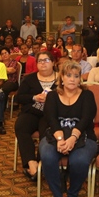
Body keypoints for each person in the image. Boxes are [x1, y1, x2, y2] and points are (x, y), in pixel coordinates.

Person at [39, 60, 97, 197]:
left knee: (79, 160)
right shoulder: (52, 95)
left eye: (76, 76)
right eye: (69, 75)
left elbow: (86, 119)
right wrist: (60, 139)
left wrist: (72, 138)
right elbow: (51, 119)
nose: (72, 79)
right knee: (47, 156)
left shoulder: (87, 95)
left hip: (83, 136)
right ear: (62, 78)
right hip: (55, 136)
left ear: (80, 79)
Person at [15, 51, 57, 181]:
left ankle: (42, 162)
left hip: (50, 115)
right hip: (31, 112)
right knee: (21, 126)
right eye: (40, 61)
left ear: (53, 62)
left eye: (46, 60)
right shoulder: (29, 79)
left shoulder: (61, 79)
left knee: (47, 132)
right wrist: (34, 97)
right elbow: (19, 97)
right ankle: (31, 163)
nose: (43, 63)